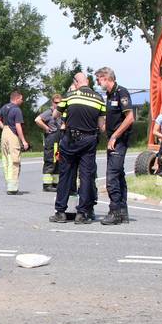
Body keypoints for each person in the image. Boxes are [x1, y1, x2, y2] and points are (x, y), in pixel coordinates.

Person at [50, 72, 105, 224]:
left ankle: (60, 212)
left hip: (70, 140)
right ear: (88, 82)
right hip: (89, 141)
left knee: (66, 175)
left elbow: (55, 115)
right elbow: (101, 126)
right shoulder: (99, 99)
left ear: (75, 82)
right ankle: (82, 214)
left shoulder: (70, 96)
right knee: (86, 177)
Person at [97, 67, 133, 225]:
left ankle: (115, 212)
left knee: (111, 176)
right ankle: (123, 211)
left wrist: (114, 136)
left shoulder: (121, 92)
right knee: (119, 175)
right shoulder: (109, 95)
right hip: (113, 140)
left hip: (119, 141)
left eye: (99, 79)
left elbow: (130, 118)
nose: (98, 82)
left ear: (106, 78)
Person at [0, 91, 29, 194]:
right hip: (12, 135)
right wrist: (23, 141)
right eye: (21, 99)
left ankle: (9, 183)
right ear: (16, 99)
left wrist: (4, 128)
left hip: (4, 133)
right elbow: (18, 126)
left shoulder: (5, 107)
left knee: (6, 159)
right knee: (14, 160)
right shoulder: (17, 110)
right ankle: (12, 188)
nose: (22, 101)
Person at [35, 95, 64, 192]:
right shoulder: (50, 112)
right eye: (56, 102)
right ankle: (47, 184)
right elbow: (37, 120)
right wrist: (46, 128)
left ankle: (55, 183)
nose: (57, 104)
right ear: (52, 102)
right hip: (51, 140)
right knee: (50, 160)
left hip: (58, 140)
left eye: (59, 102)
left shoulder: (61, 112)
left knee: (57, 160)